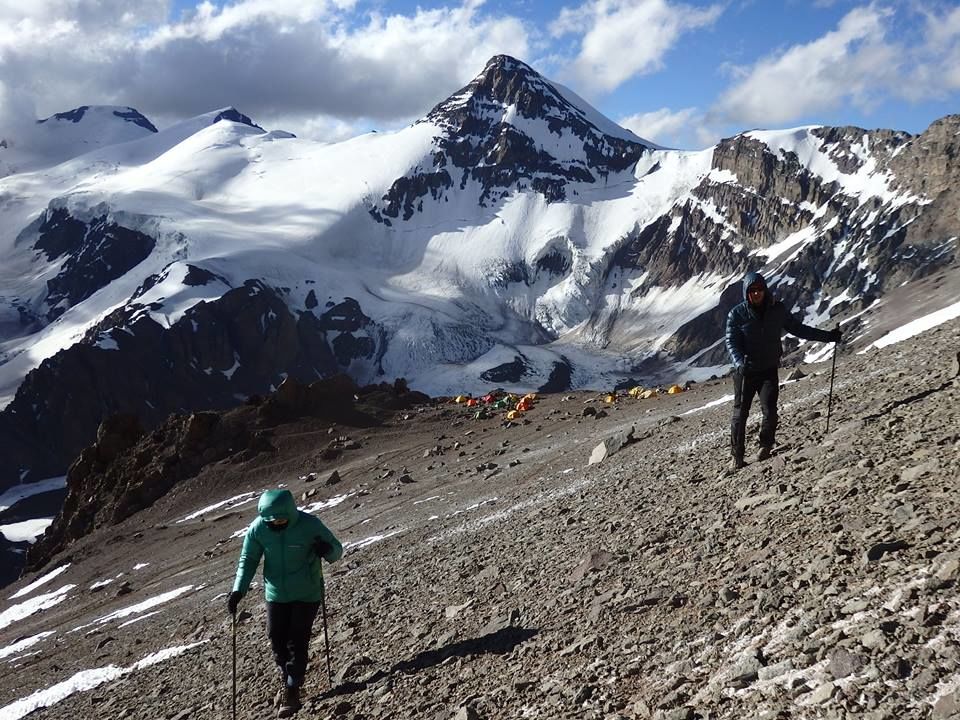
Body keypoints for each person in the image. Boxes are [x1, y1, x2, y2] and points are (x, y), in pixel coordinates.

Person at [228, 488, 342, 718]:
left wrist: (326, 550)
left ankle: (292, 688)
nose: (276, 524)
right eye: (271, 520)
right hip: (276, 594)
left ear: (291, 512)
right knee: (275, 637)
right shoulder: (258, 529)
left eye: (281, 520)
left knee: (296, 640)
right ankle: (288, 676)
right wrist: (238, 590)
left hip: (307, 591)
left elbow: (336, 550)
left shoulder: (309, 525)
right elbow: (248, 560)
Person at [725, 272, 841, 469]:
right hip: (745, 371)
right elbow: (731, 342)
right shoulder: (737, 314)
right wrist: (739, 362)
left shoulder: (777, 310)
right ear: (746, 293)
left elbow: (799, 329)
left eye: (759, 289)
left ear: (765, 290)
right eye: (752, 291)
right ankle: (737, 456)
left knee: (770, 411)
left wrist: (828, 337)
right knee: (740, 414)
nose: (756, 294)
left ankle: (765, 446)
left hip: (768, 369)